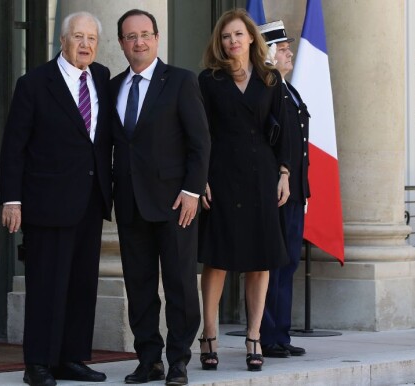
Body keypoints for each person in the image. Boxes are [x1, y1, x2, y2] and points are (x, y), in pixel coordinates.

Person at [0, 11, 112, 386]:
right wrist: (11, 199)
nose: (85, 45)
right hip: (46, 202)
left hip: (90, 200)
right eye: (77, 37)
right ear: (62, 41)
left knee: (82, 284)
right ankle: (39, 364)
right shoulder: (33, 83)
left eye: (91, 39)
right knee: (47, 284)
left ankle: (72, 359)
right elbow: (14, 147)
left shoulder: (101, 77)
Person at [111, 9, 210, 386]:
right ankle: (148, 360)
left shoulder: (181, 81)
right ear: (122, 43)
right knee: (139, 286)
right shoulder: (114, 85)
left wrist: (192, 192)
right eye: (130, 36)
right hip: (131, 203)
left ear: (156, 38)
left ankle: (179, 361)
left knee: (181, 285)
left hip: (175, 205)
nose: (138, 42)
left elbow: (201, 143)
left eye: (145, 35)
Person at [198, 9, 291, 372]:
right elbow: (200, 133)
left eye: (238, 34)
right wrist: (200, 178)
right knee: (218, 259)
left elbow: (285, 130)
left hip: (261, 177)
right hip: (220, 176)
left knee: (260, 259)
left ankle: (254, 336)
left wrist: (284, 173)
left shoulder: (270, 78)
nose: (232, 41)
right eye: (225, 36)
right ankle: (209, 335)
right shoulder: (208, 81)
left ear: (252, 38)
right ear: (219, 43)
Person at [257, 20, 309, 359]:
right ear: (266, 55)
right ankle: (267, 333)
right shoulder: (268, 90)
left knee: (288, 261)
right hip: (277, 189)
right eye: (281, 48)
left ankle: (280, 332)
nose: (289, 51)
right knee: (274, 262)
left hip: (294, 191)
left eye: (288, 47)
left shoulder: (289, 90)